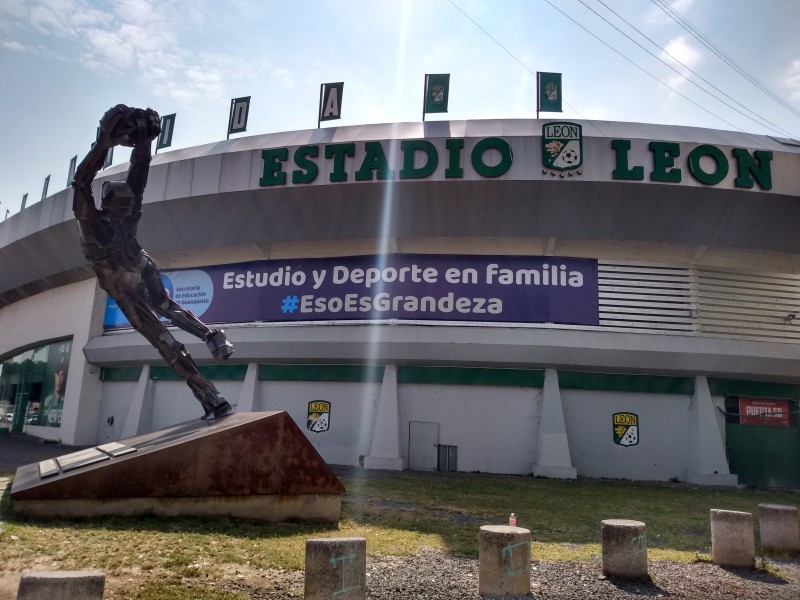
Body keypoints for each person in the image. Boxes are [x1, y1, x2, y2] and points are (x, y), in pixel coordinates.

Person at [72, 104, 234, 420]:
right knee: (165, 306)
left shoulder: (94, 219)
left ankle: (210, 394)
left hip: (123, 275)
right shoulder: (121, 212)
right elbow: (138, 167)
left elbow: (83, 182)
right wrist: (135, 139)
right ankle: (212, 339)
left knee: (164, 339)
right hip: (137, 263)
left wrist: (112, 143)